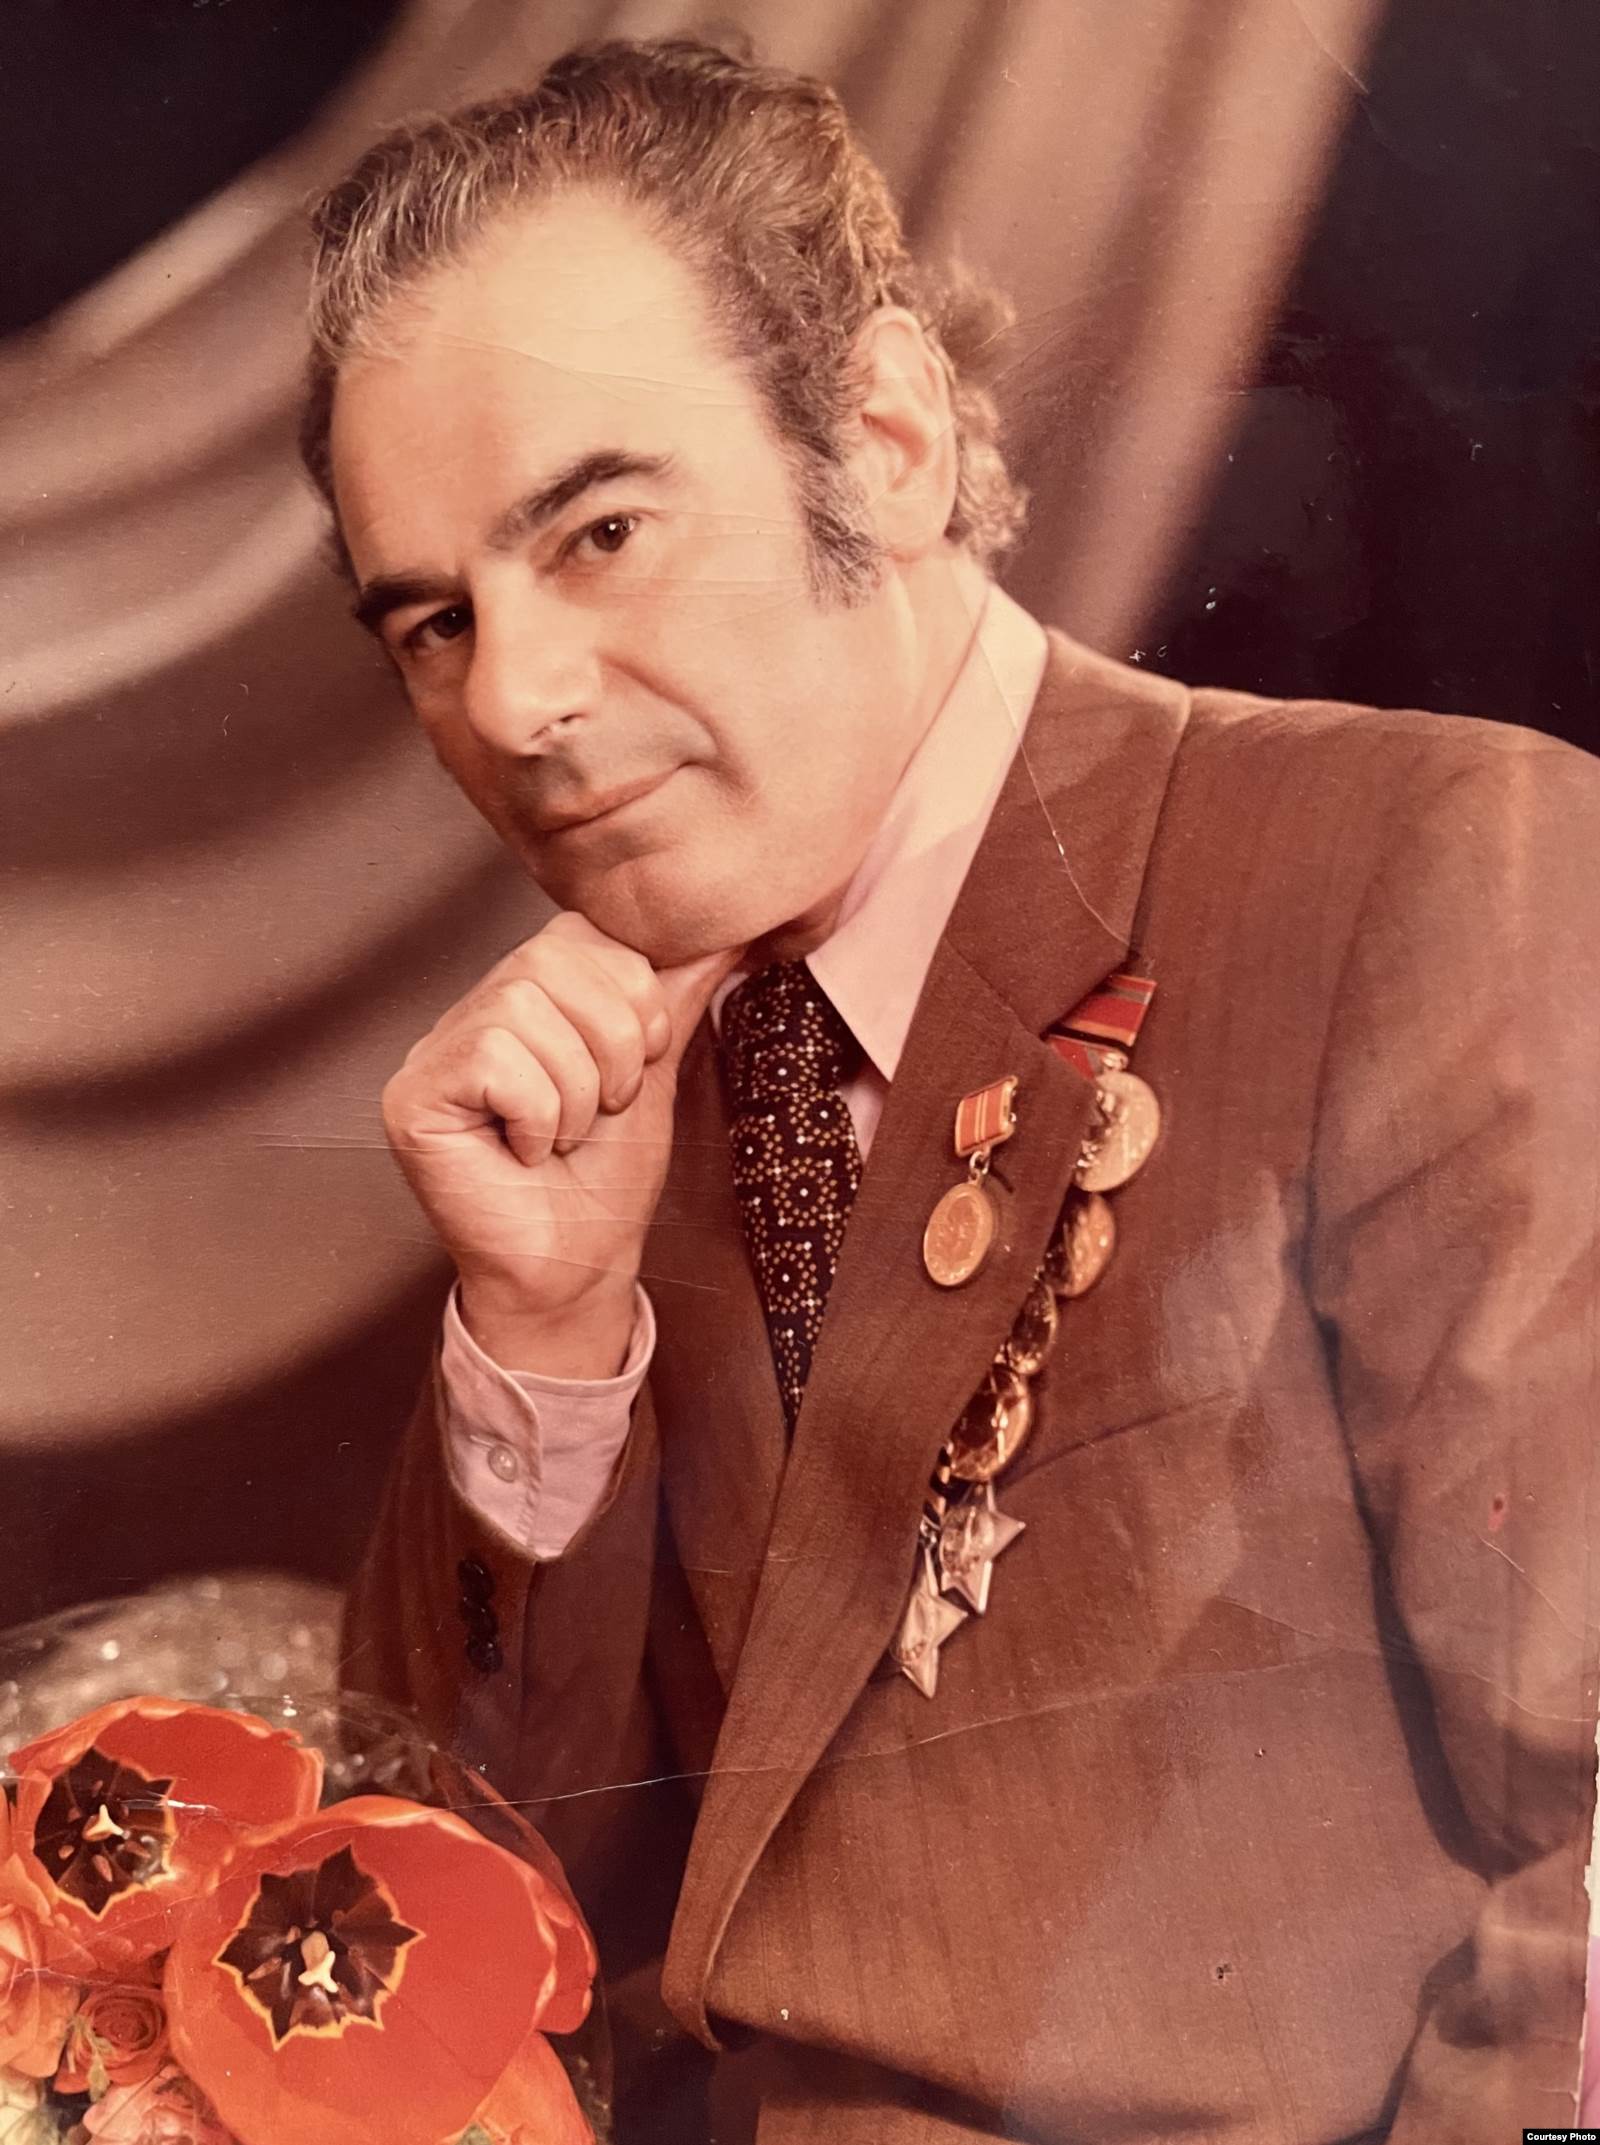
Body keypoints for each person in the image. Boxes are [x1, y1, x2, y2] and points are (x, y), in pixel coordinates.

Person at [310, 37, 1600, 2144]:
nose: (517, 699)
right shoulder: (600, 1108)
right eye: (434, 622)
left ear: (888, 436)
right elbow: (423, 1953)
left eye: (604, 530)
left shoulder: (1426, 869)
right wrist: (539, 1334)